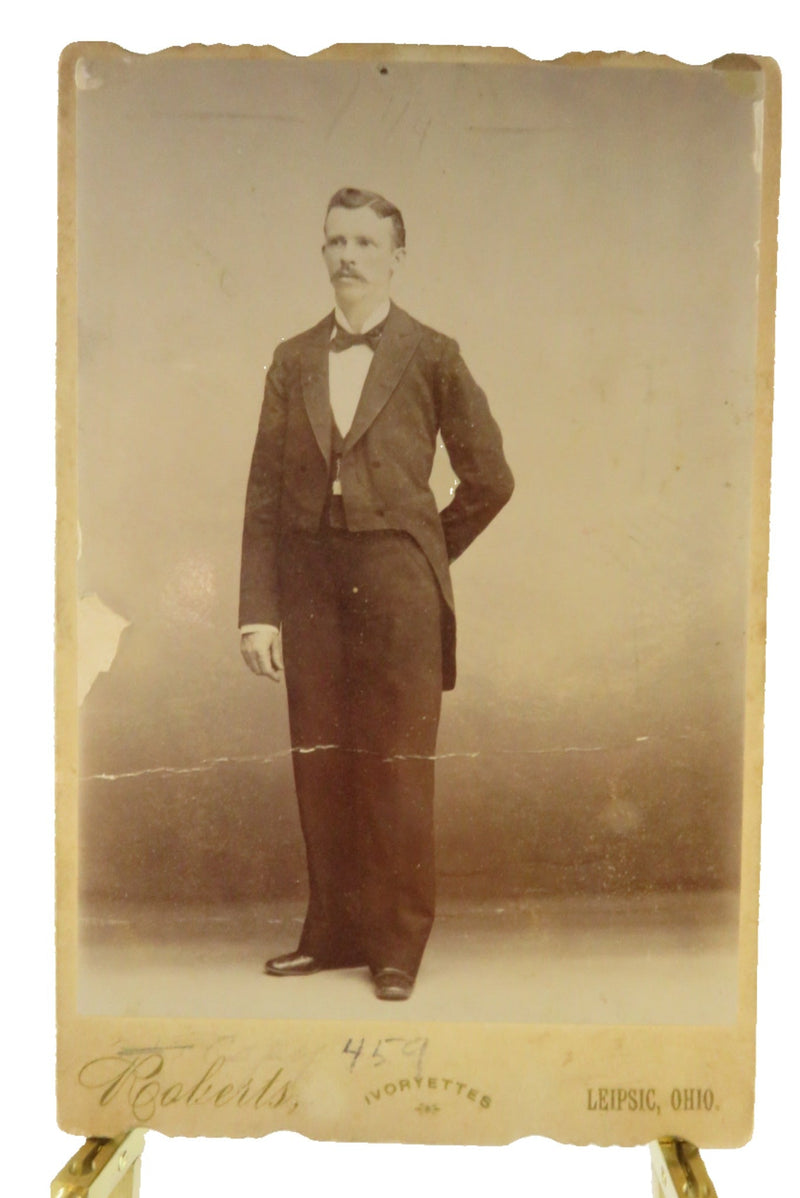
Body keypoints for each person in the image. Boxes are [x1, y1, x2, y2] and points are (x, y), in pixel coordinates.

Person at [239, 187, 513, 1001]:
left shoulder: (433, 352)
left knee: (395, 769)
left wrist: (422, 552)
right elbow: (261, 495)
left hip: (399, 594)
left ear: (397, 256)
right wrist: (259, 609)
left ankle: (396, 947)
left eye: (364, 242)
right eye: (335, 242)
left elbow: (490, 478)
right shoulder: (292, 359)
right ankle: (331, 934)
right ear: (323, 254)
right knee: (322, 763)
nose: (348, 256)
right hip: (310, 590)